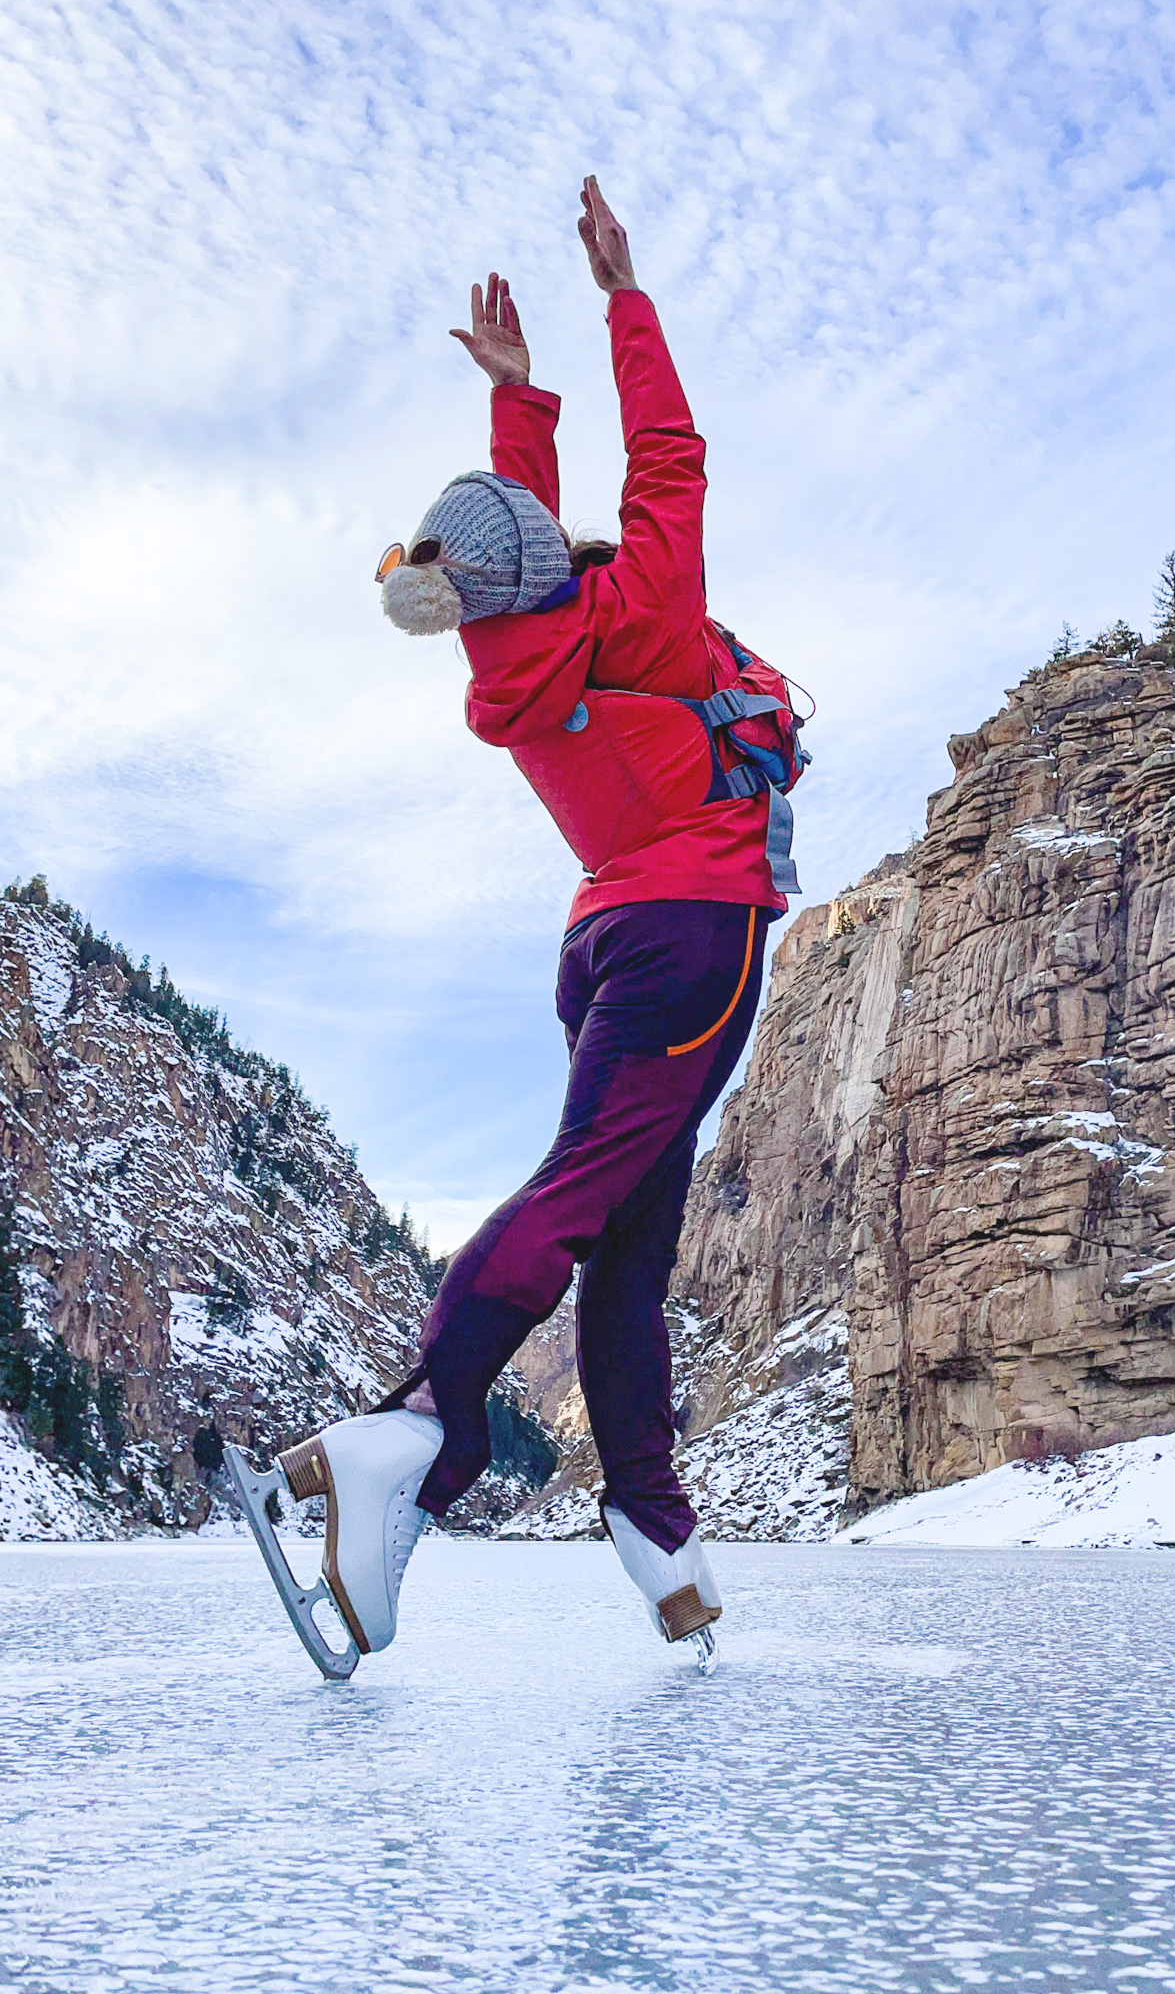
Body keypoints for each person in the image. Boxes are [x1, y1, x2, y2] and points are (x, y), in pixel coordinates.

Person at [249, 179, 804, 1677]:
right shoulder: (651, 618)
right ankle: (411, 1441)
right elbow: (670, 459)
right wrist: (625, 305)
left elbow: (506, 543)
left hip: (609, 946)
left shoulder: (507, 650)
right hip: (695, 938)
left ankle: (655, 1531)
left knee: (629, 1234)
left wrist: (517, 402)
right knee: (582, 1201)